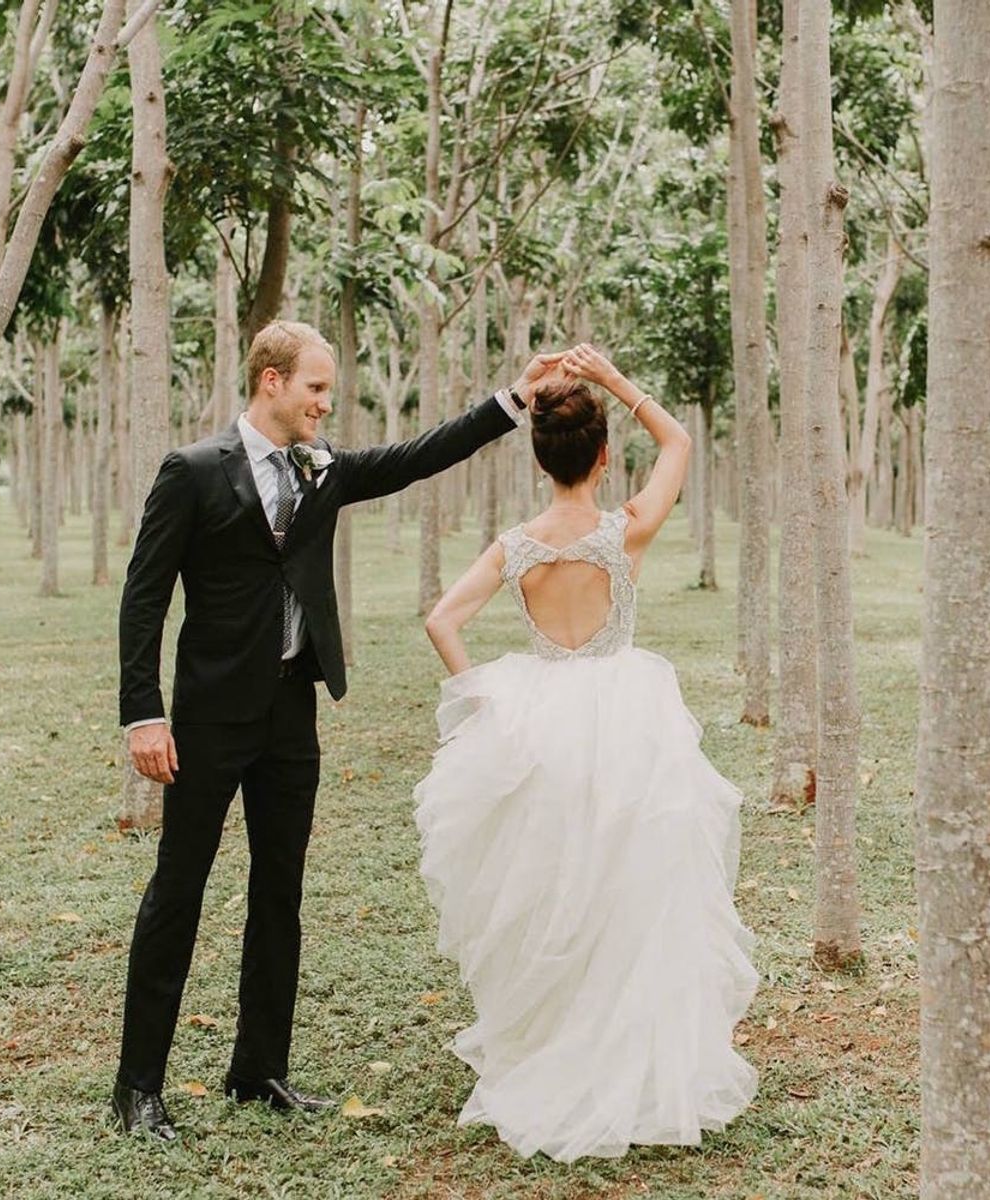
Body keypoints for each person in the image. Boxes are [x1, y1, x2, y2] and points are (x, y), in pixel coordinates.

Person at [113, 318, 565, 1140]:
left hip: (293, 711)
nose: (327, 403)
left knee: (279, 892)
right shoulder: (193, 471)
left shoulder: (324, 470)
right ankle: (138, 1089)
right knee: (178, 894)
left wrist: (513, 400)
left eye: (331, 390)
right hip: (208, 718)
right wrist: (143, 711)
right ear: (272, 381)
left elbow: (419, 455)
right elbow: (144, 597)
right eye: (317, 388)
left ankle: (260, 1071)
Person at [414, 343, 759, 1163]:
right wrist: (611, 379)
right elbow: (678, 442)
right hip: (626, 718)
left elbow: (441, 621)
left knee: (555, 889)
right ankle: (628, 1062)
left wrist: (488, 703)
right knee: (630, 891)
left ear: (539, 458)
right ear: (604, 456)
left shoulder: (516, 545)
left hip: (540, 721)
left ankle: (553, 1047)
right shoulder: (626, 529)